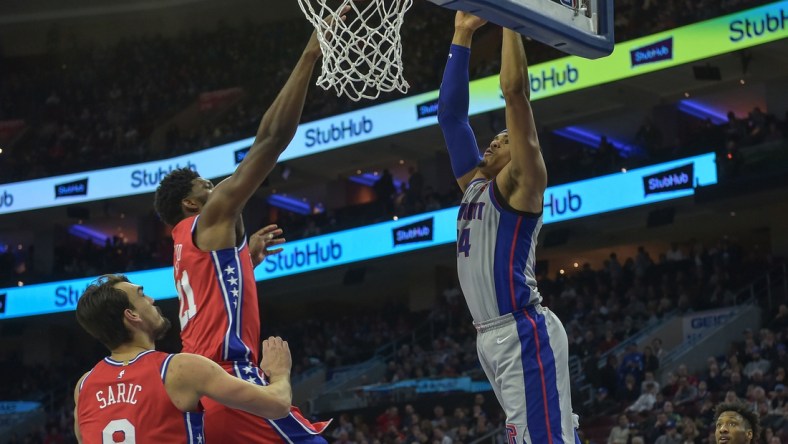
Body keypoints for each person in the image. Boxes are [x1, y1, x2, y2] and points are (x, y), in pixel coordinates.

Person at [152, 13, 338, 443]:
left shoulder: (183, 244)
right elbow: (272, 138)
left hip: (206, 391)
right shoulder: (211, 217)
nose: (218, 189)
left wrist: (243, 259)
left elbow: (211, 295)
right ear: (192, 203)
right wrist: (312, 53)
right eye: (207, 186)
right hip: (233, 378)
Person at [437, 11, 579, 444]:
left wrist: (510, 15)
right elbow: (451, 117)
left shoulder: (522, 183)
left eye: (503, 138)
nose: (494, 140)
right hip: (491, 336)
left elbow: (515, 93)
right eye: (492, 138)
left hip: (522, 328)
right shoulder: (475, 184)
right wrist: (461, 34)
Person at [73, 274, 292, 443]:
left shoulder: (83, 387)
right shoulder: (179, 369)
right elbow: (278, 406)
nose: (151, 299)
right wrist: (280, 373)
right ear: (132, 316)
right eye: (142, 295)